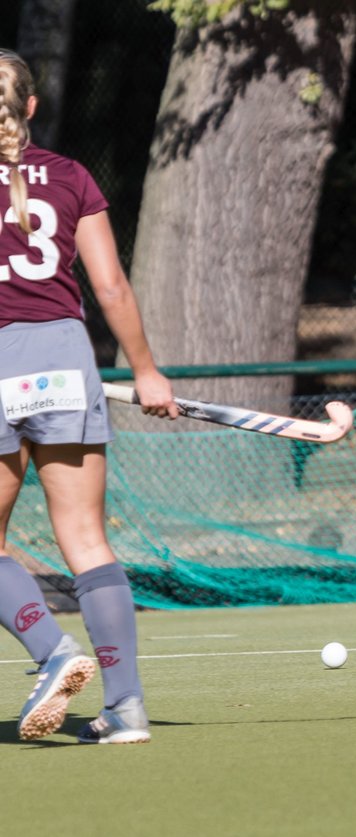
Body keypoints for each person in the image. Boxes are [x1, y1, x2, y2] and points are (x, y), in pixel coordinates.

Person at [0, 49, 178, 743]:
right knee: (86, 539)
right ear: (33, 108)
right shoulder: (70, 176)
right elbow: (110, 288)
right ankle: (126, 707)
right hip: (66, 360)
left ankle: (53, 652)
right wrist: (147, 371)